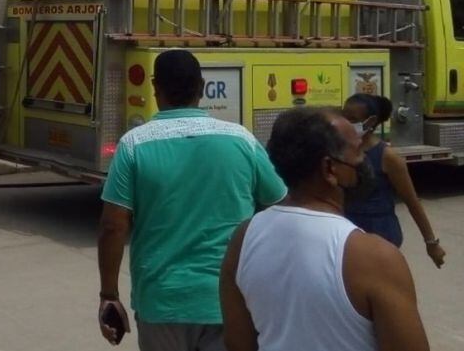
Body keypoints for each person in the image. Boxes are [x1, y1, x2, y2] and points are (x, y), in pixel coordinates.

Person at [97, 49, 286, 350]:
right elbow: (280, 206)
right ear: (202, 87)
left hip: (162, 301)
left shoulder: (133, 145)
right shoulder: (242, 140)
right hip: (230, 299)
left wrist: (109, 294)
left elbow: (113, 227)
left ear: (155, 88)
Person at [220, 107, 429, 351]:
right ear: (330, 169)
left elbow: (237, 342)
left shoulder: (244, 239)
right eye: (358, 151)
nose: (364, 160)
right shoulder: (376, 257)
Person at [342, 93, 446, 268]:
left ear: (371, 122)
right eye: (343, 117)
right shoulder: (339, 151)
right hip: (347, 229)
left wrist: (431, 243)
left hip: (380, 232)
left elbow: (412, 201)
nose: (346, 124)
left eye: (352, 119)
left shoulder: (388, 157)